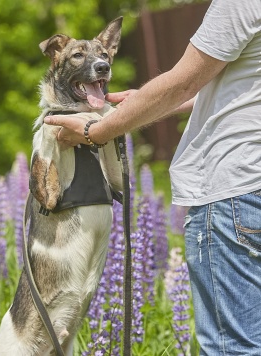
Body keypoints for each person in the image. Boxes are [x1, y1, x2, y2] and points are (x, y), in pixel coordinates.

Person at [44, 0, 261, 355]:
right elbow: (240, 84)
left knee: (232, 347)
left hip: (233, 191)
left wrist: (93, 132)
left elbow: (184, 82)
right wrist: (145, 100)